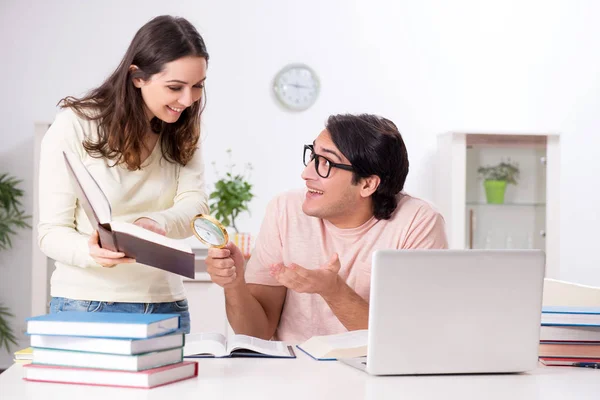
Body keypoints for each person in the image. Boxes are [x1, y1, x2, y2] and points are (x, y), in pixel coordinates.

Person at [206, 114, 448, 343]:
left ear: (367, 184)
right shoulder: (285, 209)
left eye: (326, 163)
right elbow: (256, 334)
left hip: (373, 375)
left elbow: (405, 341)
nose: (306, 173)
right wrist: (234, 284)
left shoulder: (418, 221)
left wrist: (332, 290)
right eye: (312, 156)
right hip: (293, 371)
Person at [38, 15, 210, 333]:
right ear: (137, 77)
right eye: (175, 87)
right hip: (86, 303)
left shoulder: (183, 131)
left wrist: (158, 224)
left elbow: (197, 207)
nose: (188, 100)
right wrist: (90, 251)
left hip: (166, 304)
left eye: (197, 86)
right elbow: (51, 232)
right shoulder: (75, 125)